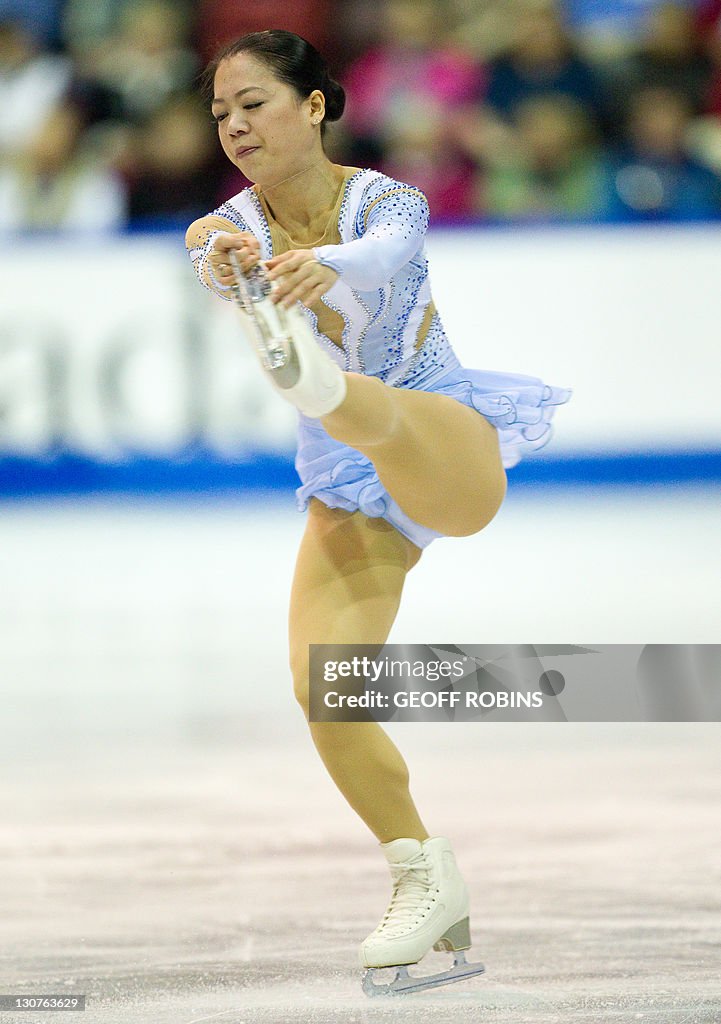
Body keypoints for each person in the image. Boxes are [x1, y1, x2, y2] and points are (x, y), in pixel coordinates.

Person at [185, 29, 571, 993]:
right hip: (346, 492)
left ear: (314, 106)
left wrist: (331, 268)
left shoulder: (383, 200)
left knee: (386, 416)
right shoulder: (230, 226)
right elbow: (208, 251)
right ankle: (422, 871)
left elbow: (390, 248)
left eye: (255, 104)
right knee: (326, 688)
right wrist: (219, 260)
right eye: (221, 112)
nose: (234, 126)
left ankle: (320, 388)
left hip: (443, 442)